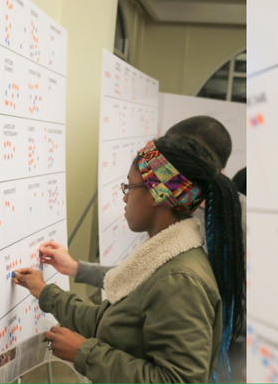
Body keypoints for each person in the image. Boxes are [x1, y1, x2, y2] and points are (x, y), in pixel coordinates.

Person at [14, 135, 245, 382]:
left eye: (130, 187)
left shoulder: (179, 281)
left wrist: (84, 353)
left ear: (158, 194)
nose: (124, 197)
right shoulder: (163, 258)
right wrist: (46, 293)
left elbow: (178, 380)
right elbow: (112, 324)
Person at [41, 115, 247, 289]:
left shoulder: (199, 231)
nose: (125, 197)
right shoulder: (181, 209)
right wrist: (77, 269)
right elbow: (144, 275)